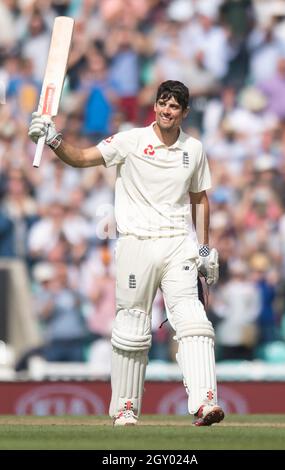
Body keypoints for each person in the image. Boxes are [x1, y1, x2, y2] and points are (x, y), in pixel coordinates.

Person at [28, 80, 224, 427]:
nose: (167, 110)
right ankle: (126, 408)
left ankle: (205, 402)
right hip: (136, 242)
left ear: (185, 112)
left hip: (178, 241)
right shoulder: (130, 140)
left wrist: (205, 249)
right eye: (162, 103)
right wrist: (54, 139)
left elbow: (200, 199)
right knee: (132, 328)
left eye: (174, 106)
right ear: (155, 107)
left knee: (193, 321)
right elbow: (82, 159)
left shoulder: (193, 149)